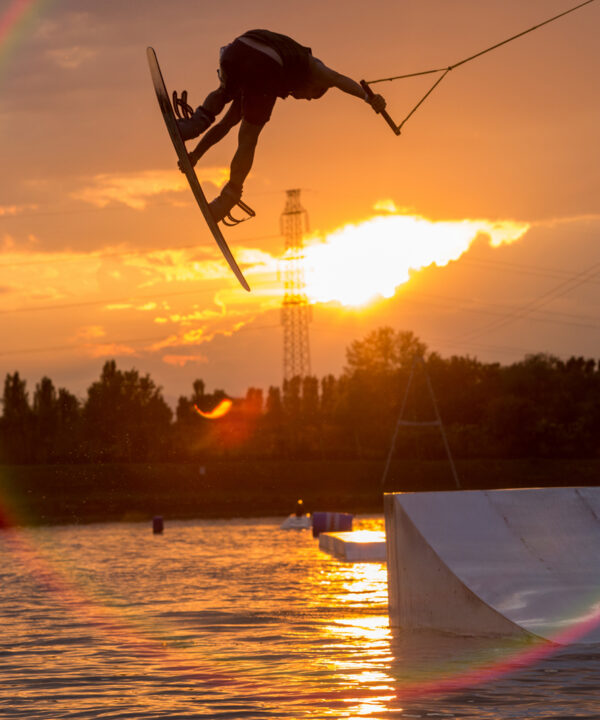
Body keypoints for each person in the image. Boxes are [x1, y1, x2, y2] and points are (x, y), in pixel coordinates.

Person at [176, 29, 387, 223]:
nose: (303, 99)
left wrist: (194, 155)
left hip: (239, 47)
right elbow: (337, 79)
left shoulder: (271, 77)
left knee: (223, 93)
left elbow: (224, 126)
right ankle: (228, 197)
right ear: (314, 86)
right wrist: (369, 98)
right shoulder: (312, 68)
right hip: (267, 64)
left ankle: (193, 125)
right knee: (249, 138)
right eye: (310, 97)